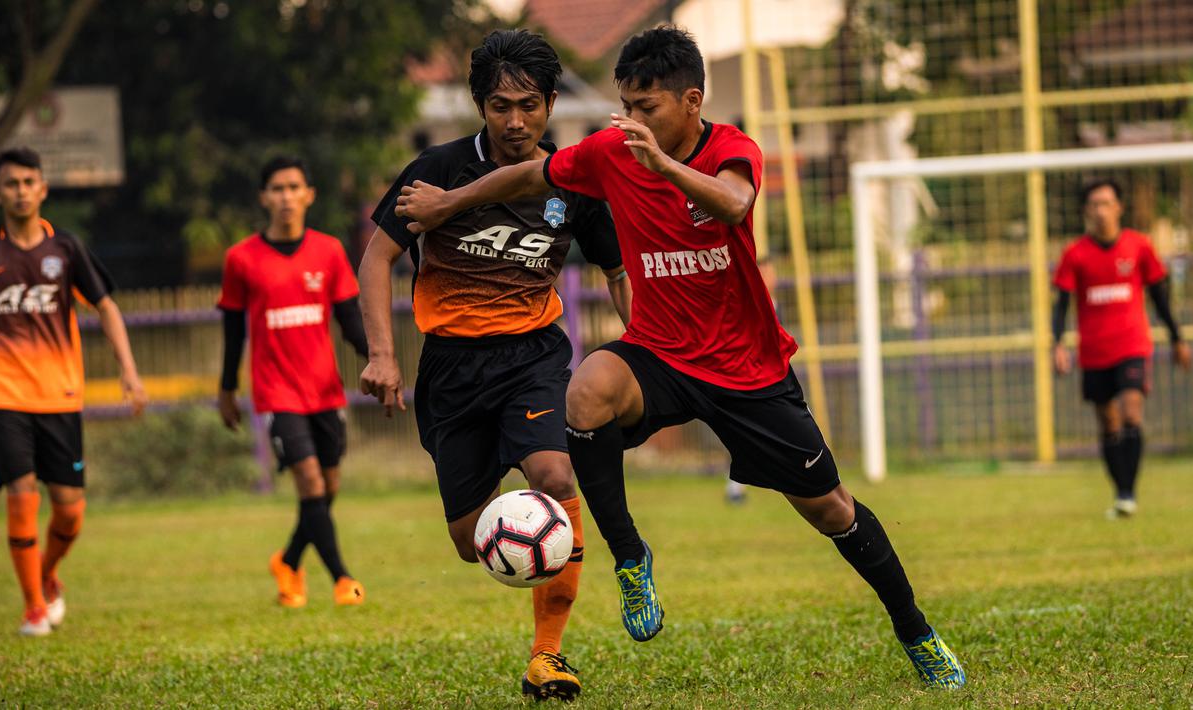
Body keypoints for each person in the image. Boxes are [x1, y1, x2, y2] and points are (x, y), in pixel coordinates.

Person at [394, 26, 966, 690]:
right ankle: (630, 558)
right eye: (626, 107)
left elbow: (734, 204)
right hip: (660, 353)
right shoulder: (612, 152)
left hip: (745, 370)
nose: (631, 121)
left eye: (647, 107)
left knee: (832, 509)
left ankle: (915, 631)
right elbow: (528, 174)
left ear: (691, 101)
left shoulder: (731, 149)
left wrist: (661, 166)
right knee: (587, 391)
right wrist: (448, 202)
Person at [359, 29, 630, 701]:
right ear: (480, 105)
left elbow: (618, 270)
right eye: (501, 106)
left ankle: (547, 656)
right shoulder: (440, 168)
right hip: (450, 369)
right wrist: (383, 356)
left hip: (532, 357)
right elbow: (376, 258)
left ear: (550, 105)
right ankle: (516, 545)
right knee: (468, 540)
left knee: (555, 475)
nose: (516, 121)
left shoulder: (573, 183)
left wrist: (651, 345)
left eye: (529, 105)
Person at [0, 147, 148, 636]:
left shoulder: (66, 248)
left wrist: (129, 370)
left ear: (43, 189)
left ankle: (45, 574)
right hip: (3, 394)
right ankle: (33, 608)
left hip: (60, 394)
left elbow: (106, 307)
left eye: (29, 182)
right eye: (11, 183)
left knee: (69, 510)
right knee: (21, 495)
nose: (20, 191)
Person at [217, 156, 369, 608]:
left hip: (324, 389)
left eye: (293, 187)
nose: (286, 196)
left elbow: (350, 321)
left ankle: (287, 561)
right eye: (277, 189)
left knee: (328, 487)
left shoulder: (329, 251)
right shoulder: (241, 258)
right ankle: (342, 579)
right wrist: (226, 389)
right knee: (310, 482)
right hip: (277, 392)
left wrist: (381, 362)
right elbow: (232, 331)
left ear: (309, 195)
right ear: (264, 198)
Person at [1052, 178, 1190, 519]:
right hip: (1094, 351)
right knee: (1109, 423)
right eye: (1094, 204)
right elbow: (1061, 304)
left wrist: (1177, 338)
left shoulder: (1139, 246)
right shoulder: (1075, 254)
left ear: (1119, 208)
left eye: (1106, 203)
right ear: (1086, 211)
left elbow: (1159, 296)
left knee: (1131, 411)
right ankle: (1121, 491)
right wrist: (1058, 344)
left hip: (1132, 345)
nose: (1101, 210)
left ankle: (1128, 493)